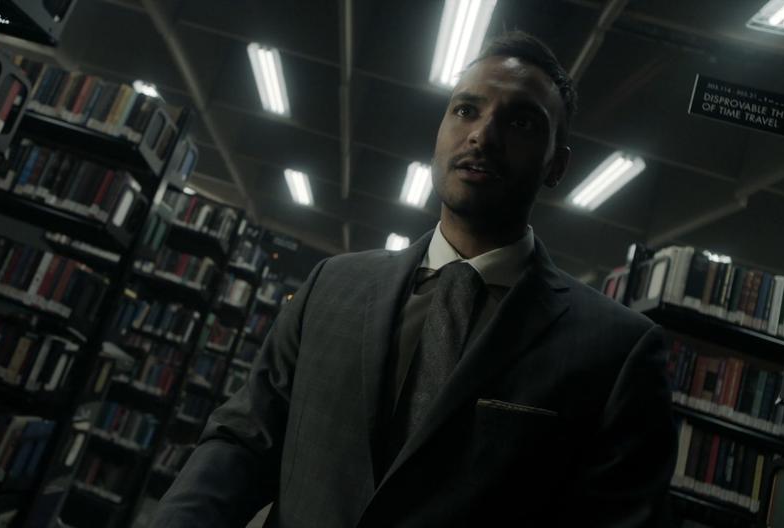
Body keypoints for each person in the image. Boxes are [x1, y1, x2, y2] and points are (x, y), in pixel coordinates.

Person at [154, 30, 677, 527]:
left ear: (556, 165)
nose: (482, 134)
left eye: (520, 123)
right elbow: (245, 439)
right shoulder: (332, 285)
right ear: (441, 131)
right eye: (466, 110)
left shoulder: (616, 351)